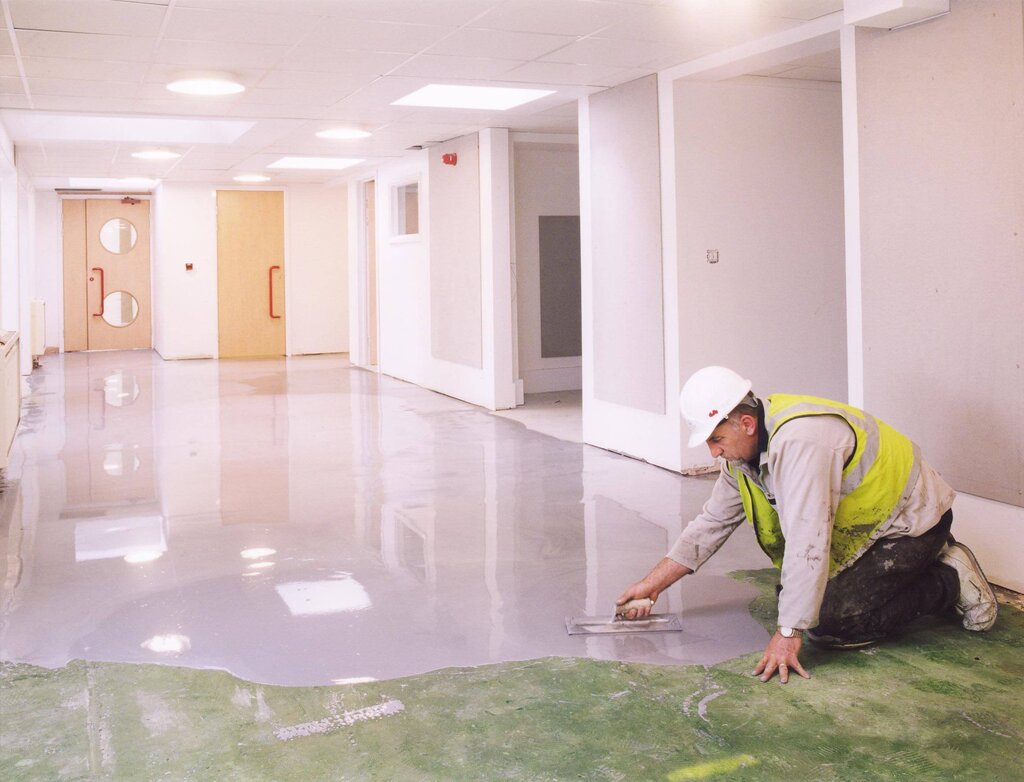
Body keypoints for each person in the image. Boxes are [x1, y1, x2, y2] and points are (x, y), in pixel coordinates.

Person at [617, 366, 998, 684]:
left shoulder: (802, 444)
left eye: (716, 439)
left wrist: (788, 634)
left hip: (912, 523)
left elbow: (808, 540)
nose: (713, 451)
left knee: (832, 621)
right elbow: (712, 522)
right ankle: (927, 573)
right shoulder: (744, 456)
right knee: (796, 599)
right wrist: (652, 586)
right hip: (870, 530)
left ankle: (948, 581)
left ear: (746, 423)